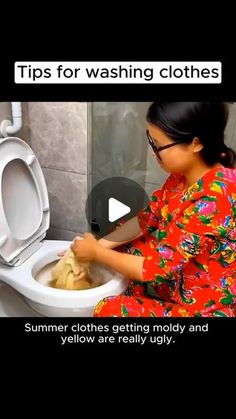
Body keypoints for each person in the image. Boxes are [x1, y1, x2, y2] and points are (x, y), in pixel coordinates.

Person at [71, 102, 236, 317]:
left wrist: (96, 252)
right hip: (180, 280)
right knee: (125, 240)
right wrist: (97, 246)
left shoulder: (216, 197)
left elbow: (155, 268)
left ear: (196, 144)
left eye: (158, 146)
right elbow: (146, 221)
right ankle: (141, 304)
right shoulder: (183, 176)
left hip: (203, 308)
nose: (152, 154)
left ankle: (137, 310)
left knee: (109, 310)